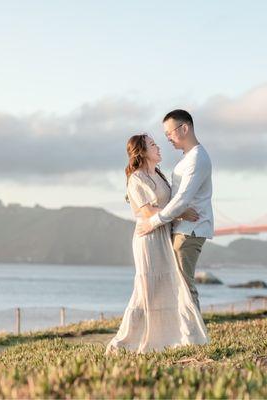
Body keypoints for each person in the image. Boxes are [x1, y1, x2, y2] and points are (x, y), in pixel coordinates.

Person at [105, 133, 208, 354]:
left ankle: (166, 339)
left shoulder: (159, 175)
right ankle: (122, 343)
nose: (158, 147)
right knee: (147, 290)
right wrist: (181, 213)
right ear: (141, 151)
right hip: (148, 237)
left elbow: (169, 204)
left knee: (166, 287)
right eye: (153, 144)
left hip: (162, 234)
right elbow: (147, 211)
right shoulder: (136, 179)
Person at [137, 109, 214, 311]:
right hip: (183, 227)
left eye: (169, 133)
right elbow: (178, 201)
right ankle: (184, 335)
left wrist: (152, 223)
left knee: (184, 287)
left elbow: (181, 199)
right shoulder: (188, 157)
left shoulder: (197, 158)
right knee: (178, 286)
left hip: (190, 230)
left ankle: (194, 338)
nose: (167, 138)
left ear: (185, 128)